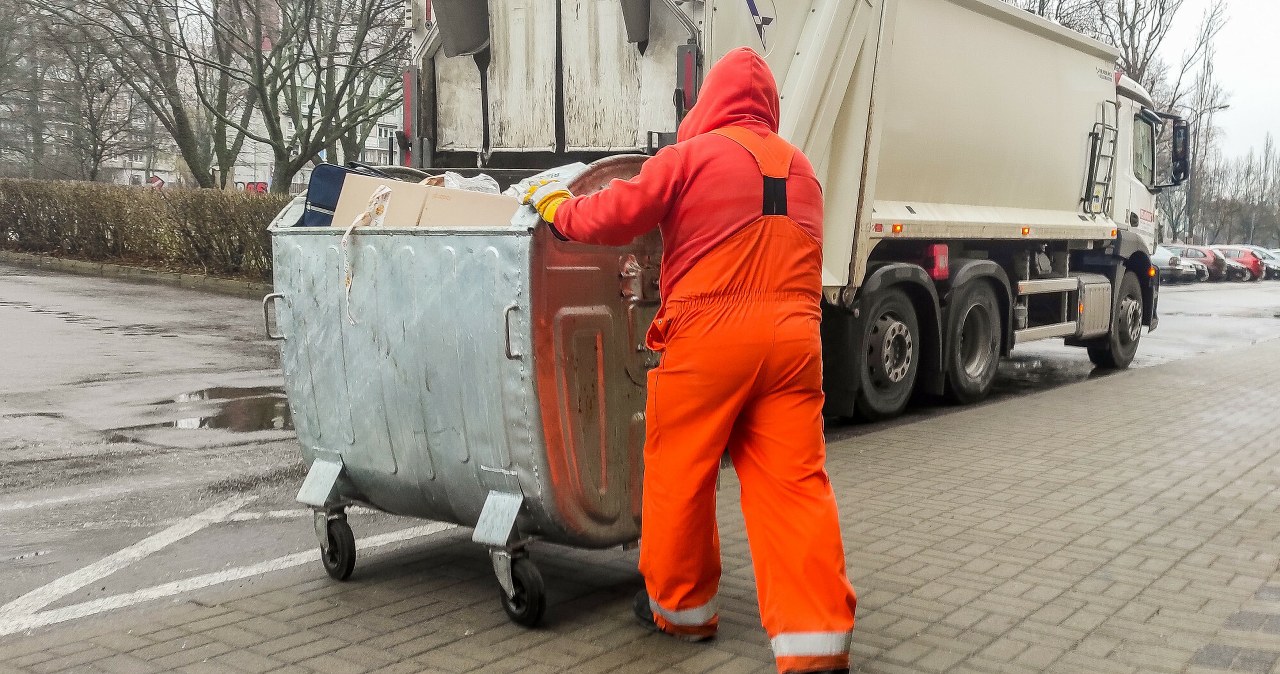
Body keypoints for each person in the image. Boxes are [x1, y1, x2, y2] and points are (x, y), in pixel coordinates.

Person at [519, 47, 857, 674]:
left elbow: (615, 215)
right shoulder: (802, 169)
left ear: (712, 101)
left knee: (681, 474)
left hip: (710, 339)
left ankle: (682, 611)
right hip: (794, 344)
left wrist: (557, 208)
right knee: (794, 487)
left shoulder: (691, 157)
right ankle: (817, 645)